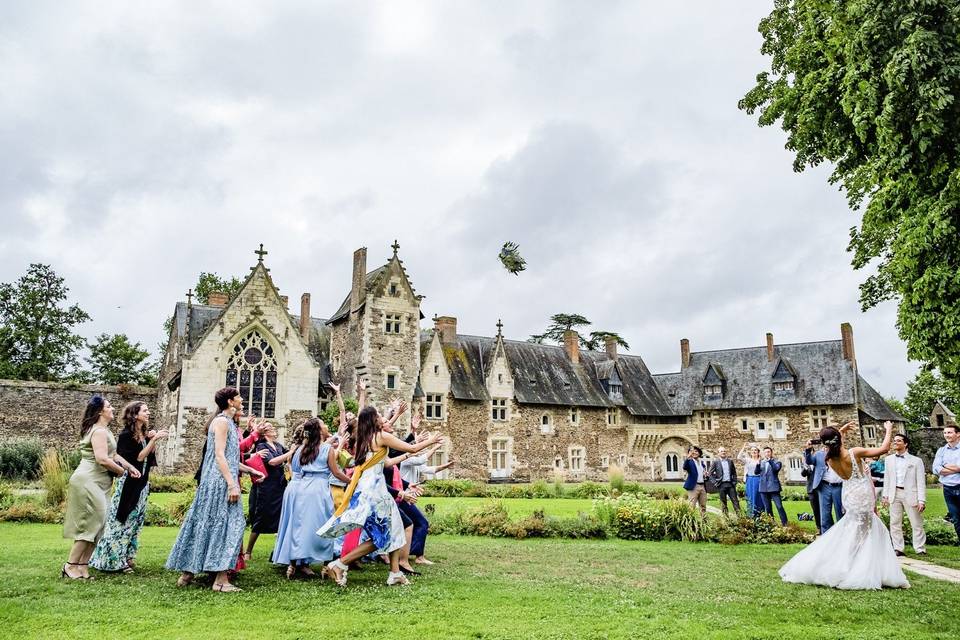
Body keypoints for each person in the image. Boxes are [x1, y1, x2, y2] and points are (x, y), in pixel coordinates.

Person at [318, 405, 443, 587]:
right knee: (381, 537)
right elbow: (413, 448)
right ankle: (339, 564)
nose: (380, 418)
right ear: (372, 419)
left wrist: (405, 457)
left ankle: (395, 573)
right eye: (377, 415)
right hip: (374, 491)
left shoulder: (365, 439)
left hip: (370, 488)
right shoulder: (381, 436)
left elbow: (386, 463)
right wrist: (431, 441)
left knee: (395, 527)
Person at [779, 421, 909, 589]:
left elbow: (833, 445)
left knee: (856, 529)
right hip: (862, 494)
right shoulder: (854, 453)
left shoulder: (830, 459)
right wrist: (889, 429)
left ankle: (853, 561)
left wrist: (841, 431)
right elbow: (883, 449)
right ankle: (856, 567)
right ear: (838, 439)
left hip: (849, 494)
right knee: (865, 532)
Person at [166, 387, 249, 592]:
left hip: (218, 478)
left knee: (206, 522)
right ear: (230, 402)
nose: (242, 400)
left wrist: (250, 471)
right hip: (219, 481)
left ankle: (188, 574)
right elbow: (219, 456)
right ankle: (220, 580)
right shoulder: (221, 422)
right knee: (228, 524)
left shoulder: (227, 422)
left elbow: (229, 458)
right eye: (238, 397)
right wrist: (231, 483)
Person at [62, 396, 142, 580]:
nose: (112, 408)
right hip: (89, 480)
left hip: (101, 482)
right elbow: (102, 459)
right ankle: (70, 565)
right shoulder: (98, 431)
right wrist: (121, 472)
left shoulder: (104, 430)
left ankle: (82, 567)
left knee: (99, 525)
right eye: (109, 406)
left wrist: (130, 468)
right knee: (90, 524)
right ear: (100, 411)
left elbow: (113, 454)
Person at [90, 401, 167, 573]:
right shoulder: (126, 435)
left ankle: (127, 556)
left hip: (142, 483)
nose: (148, 413)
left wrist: (149, 439)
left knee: (135, 522)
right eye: (145, 411)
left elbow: (148, 459)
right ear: (135, 414)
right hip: (129, 484)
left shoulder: (143, 434)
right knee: (123, 520)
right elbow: (139, 458)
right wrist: (153, 439)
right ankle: (112, 560)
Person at [273, 418, 350, 578]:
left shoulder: (302, 448)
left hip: (303, 488)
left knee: (300, 527)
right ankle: (324, 566)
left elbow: (296, 470)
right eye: (323, 424)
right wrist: (352, 482)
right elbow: (335, 472)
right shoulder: (327, 448)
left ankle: (293, 565)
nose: (325, 425)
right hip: (319, 489)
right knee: (324, 526)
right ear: (319, 431)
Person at [245, 422, 290, 560]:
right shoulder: (261, 446)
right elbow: (272, 462)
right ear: (264, 433)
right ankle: (248, 552)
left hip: (279, 485)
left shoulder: (278, 445)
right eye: (270, 428)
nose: (274, 429)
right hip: (266, 486)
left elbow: (287, 456)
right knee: (261, 517)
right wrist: (290, 453)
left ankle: (276, 551)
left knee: (280, 518)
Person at [881, 433, 926, 556]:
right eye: (894, 441)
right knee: (895, 523)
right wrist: (885, 495)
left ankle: (920, 548)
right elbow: (887, 479)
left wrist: (922, 500)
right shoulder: (888, 460)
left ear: (905, 444)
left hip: (910, 494)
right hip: (894, 493)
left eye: (898, 441)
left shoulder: (916, 461)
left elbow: (921, 482)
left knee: (916, 523)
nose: (895, 443)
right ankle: (898, 548)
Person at [805, 438, 845, 533]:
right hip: (824, 486)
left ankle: (842, 535)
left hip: (838, 487)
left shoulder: (839, 454)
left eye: (828, 446)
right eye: (825, 446)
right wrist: (808, 449)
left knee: (840, 513)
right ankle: (826, 536)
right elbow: (809, 461)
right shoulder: (819, 454)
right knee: (825, 515)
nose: (826, 448)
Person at [932, 423, 960, 545]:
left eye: (949, 432)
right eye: (945, 433)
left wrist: (945, 467)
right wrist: (957, 468)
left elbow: (942, 468)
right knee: (956, 519)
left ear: (958, 434)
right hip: (948, 489)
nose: (946, 435)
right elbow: (936, 469)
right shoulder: (941, 450)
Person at [758, 447, 787, 525]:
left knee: (779, 506)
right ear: (764, 453)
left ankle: (785, 523)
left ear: (771, 453)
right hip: (763, 488)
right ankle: (771, 523)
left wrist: (770, 461)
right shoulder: (761, 462)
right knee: (768, 508)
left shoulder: (777, 462)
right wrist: (757, 464)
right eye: (765, 452)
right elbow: (756, 472)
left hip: (774, 487)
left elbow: (775, 469)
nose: (767, 453)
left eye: (768, 452)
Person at [708, 447, 741, 517]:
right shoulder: (716, 462)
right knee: (723, 502)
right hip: (721, 485)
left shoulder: (730, 461)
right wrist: (715, 482)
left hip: (730, 484)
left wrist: (734, 481)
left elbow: (734, 473)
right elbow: (710, 474)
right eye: (721, 451)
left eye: (724, 451)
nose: (723, 452)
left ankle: (740, 517)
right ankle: (726, 518)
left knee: (735, 501)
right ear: (718, 453)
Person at [738, 443, 762, 517]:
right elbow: (739, 457)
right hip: (750, 480)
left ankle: (759, 513)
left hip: (758, 479)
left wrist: (759, 447)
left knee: (758, 496)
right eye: (752, 450)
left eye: (755, 450)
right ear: (750, 452)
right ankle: (750, 514)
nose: (754, 451)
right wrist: (744, 447)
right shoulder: (748, 460)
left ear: (758, 452)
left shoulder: (761, 460)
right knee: (750, 496)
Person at [682, 446, 707, 515]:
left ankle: (704, 522)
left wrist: (705, 474)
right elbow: (684, 467)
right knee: (691, 505)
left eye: (696, 451)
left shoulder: (702, 463)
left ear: (699, 453)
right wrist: (687, 457)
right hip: (694, 486)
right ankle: (691, 523)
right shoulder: (689, 462)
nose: (694, 452)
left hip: (702, 486)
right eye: (692, 451)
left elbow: (702, 473)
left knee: (703, 506)